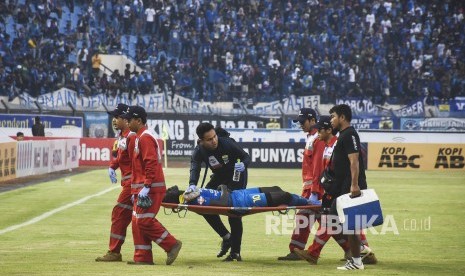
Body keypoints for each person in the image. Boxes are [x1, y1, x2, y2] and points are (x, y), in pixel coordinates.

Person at [293, 116, 377, 265]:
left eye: (320, 130)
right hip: (333, 190)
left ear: (329, 130)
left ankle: (313, 252)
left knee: (334, 221)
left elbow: (341, 169)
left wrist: (320, 191)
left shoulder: (336, 145)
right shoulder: (327, 146)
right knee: (344, 224)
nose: (317, 132)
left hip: (340, 191)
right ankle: (365, 253)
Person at [121, 105, 182, 266]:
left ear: (138, 121)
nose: (127, 122)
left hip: (151, 188)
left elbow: (150, 163)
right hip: (142, 188)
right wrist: (135, 189)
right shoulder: (138, 137)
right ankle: (142, 258)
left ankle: (171, 244)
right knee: (137, 222)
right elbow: (138, 167)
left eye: (129, 119)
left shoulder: (145, 137)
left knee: (143, 221)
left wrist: (146, 186)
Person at [188, 122, 250, 261]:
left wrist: (243, 164)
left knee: (234, 212)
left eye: (214, 136)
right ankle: (226, 237)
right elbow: (195, 167)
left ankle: (235, 253)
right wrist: (192, 184)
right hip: (220, 176)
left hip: (236, 175)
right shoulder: (199, 151)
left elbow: (246, 156)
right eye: (209, 139)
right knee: (201, 204)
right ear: (201, 141)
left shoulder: (227, 143)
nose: (214, 140)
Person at [278, 108, 322, 261]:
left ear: (313, 120)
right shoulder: (312, 137)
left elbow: (318, 167)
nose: (300, 124)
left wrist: (315, 191)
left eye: (303, 122)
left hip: (315, 189)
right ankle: (355, 249)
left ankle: (296, 251)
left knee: (306, 217)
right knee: (328, 222)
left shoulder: (317, 138)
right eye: (299, 122)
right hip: (312, 187)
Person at [329, 104, 369, 270]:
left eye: (333, 117)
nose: (331, 120)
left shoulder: (350, 134)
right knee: (340, 220)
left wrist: (354, 184)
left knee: (343, 221)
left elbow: (354, 161)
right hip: (344, 186)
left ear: (342, 117)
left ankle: (358, 256)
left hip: (350, 187)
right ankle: (358, 254)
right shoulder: (344, 135)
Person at [95, 103, 135, 262]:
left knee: (120, 215)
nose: (114, 120)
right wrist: (112, 166)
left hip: (133, 183)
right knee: (138, 218)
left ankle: (114, 251)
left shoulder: (130, 136)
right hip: (130, 183)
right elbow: (119, 156)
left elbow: (137, 161)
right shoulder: (122, 137)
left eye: (117, 117)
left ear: (126, 119)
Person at [164, 185, 311, 207]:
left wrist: (223, 188)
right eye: (169, 191)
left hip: (238, 194)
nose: (172, 188)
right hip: (239, 201)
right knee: (282, 196)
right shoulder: (195, 200)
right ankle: (311, 204)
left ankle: (309, 202)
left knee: (275, 189)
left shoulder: (189, 193)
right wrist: (224, 189)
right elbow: (222, 203)